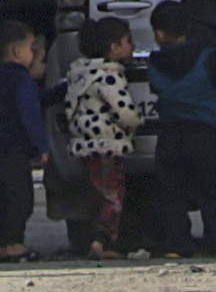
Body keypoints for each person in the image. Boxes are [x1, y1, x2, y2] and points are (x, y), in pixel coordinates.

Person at [139, 2, 216, 252]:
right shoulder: (210, 57)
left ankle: (178, 244)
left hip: (170, 133)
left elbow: (158, 89)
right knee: (211, 190)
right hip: (204, 133)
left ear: (159, 34)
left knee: (171, 193)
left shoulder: (156, 63)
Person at [52, 18, 148, 256]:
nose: (133, 47)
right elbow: (122, 110)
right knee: (113, 198)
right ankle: (101, 242)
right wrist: (138, 120)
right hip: (108, 144)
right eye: (128, 41)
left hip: (86, 146)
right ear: (114, 48)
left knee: (96, 197)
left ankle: (96, 239)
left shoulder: (79, 74)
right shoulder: (109, 76)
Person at [0, 19, 50, 260]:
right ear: (16, 51)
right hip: (16, 149)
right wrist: (42, 147)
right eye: (31, 48)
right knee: (21, 200)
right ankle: (15, 245)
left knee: (3, 199)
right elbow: (29, 114)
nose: (34, 54)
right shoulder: (22, 80)